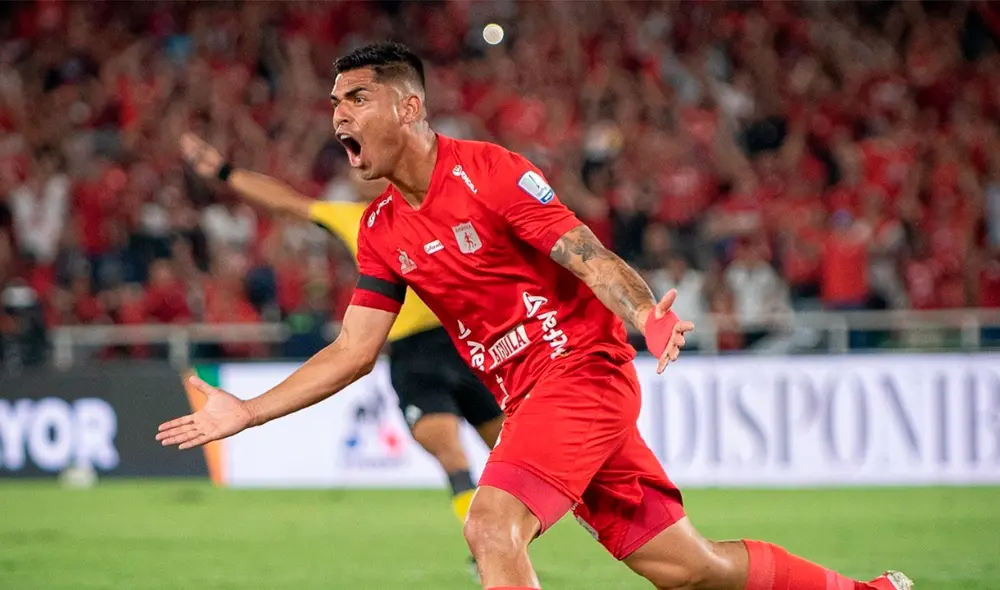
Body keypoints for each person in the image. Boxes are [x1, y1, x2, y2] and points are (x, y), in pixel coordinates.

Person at [158, 42, 912, 590]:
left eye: (354, 98)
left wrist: (645, 313)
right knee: (692, 570)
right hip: (533, 399)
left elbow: (586, 254)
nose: (337, 115)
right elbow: (353, 352)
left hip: (581, 374)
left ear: (408, 106)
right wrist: (248, 412)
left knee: (490, 526)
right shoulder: (383, 229)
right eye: (333, 103)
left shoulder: (490, 172)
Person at [178, 132, 504, 575]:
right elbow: (287, 203)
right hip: (412, 358)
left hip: (465, 344)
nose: (358, 168)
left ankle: (545, 529)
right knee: (454, 458)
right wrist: (223, 172)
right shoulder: (357, 219)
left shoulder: (439, 202)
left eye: (365, 156)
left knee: (512, 457)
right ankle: (486, 552)